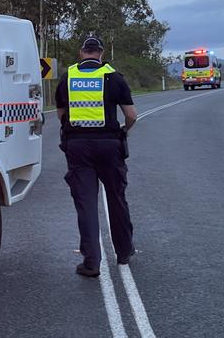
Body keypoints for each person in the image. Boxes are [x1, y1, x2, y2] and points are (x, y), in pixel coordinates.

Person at [56, 36, 138, 278]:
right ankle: (124, 252)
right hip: (110, 146)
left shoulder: (68, 77)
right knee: (116, 198)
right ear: (100, 54)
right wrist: (123, 130)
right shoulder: (114, 77)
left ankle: (91, 263)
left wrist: (75, 127)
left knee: (86, 204)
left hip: (78, 147)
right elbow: (132, 115)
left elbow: (60, 113)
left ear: (82, 53)